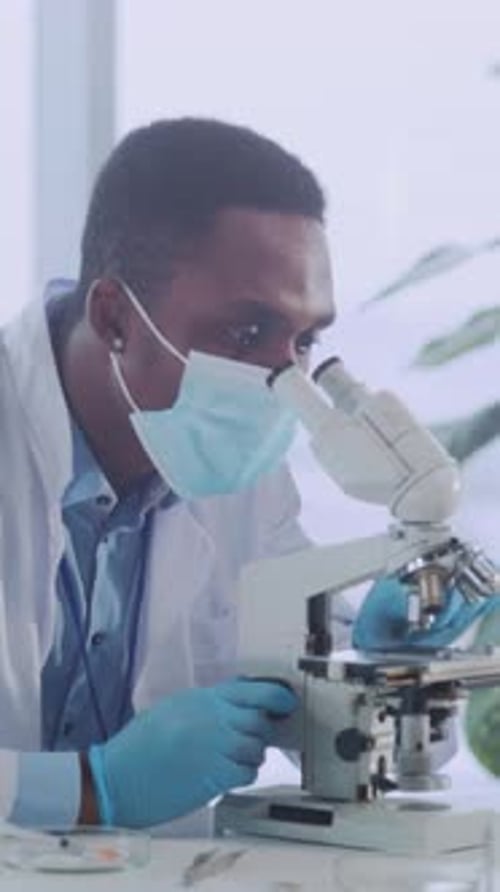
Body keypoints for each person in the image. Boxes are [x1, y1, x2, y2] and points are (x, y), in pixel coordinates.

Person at [0, 117, 343, 830]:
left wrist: (379, 650)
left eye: (304, 340)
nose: (284, 379)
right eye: (246, 334)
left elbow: (302, 640)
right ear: (115, 317)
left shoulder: (241, 467)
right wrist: (90, 789)